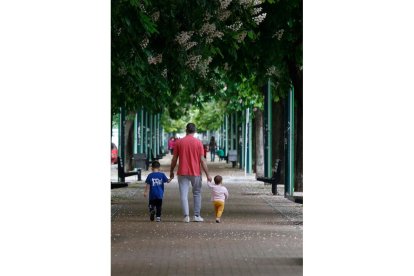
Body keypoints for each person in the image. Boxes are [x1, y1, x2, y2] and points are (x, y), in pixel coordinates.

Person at [170, 123, 212, 223]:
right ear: (195, 131)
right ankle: (197, 215)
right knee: (197, 193)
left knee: (183, 195)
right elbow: (202, 160)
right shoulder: (198, 143)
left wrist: (171, 171)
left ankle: (186, 216)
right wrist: (208, 174)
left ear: (186, 130)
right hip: (196, 172)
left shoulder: (179, 143)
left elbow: (174, 159)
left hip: (182, 172)